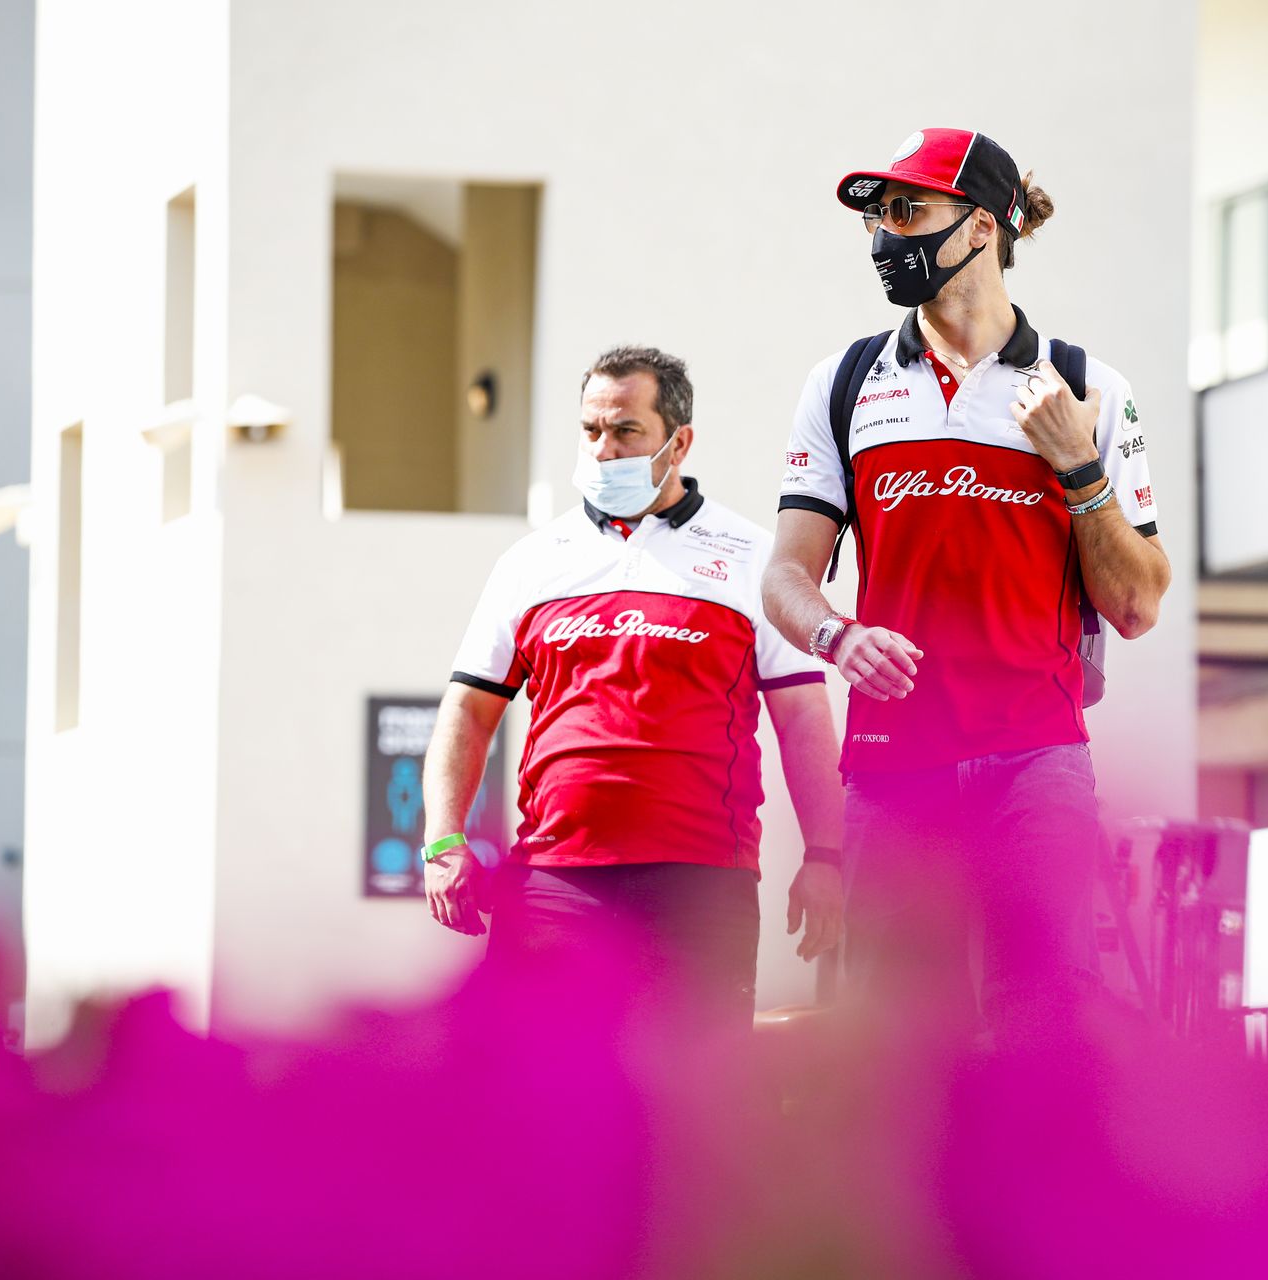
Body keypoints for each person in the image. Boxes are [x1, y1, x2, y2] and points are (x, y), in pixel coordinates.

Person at [762, 128, 1171, 1036]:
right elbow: (786, 576)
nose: (885, 237)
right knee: (899, 1044)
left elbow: (1139, 605)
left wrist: (1078, 467)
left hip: (1037, 758)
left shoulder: (1086, 386)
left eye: (908, 212)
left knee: (1047, 1033)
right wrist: (836, 636)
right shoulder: (843, 382)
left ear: (983, 226)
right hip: (892, 767)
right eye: (876, 218)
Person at [424, 346, 846, 1040]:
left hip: (701, 885)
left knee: (693, 1096)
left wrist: (825, 856)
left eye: (626, 431)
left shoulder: (751, 556)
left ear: (679, 442)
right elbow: (468, 711)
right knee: (536, 1090)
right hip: (554, 882)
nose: (603, 449)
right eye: (591, 430)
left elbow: (803, 717)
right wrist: (444, 840)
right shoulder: (530, 562)